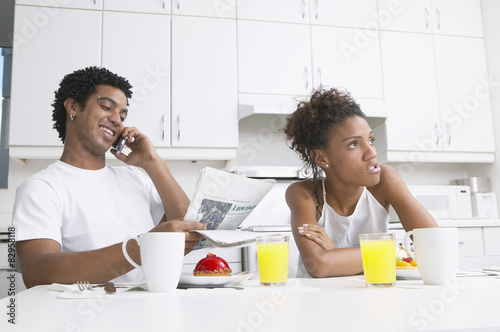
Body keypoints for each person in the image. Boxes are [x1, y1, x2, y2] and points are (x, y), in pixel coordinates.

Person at [13, 66, 205, 288]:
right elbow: (38, 272)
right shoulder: (42, 188)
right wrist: (141, 248)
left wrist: (153, 163)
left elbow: (188, 230)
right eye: (106, 107)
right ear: (73, 106)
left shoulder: (137, 178)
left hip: (148, 309)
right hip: (79, 318)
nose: (117, 120)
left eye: (123, 115)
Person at [284, 87, 438, 278]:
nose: (372, 153)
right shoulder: (303, 194)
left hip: (374, 295)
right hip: (319, 300)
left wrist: (336, 256)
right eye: (354, 144)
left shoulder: (385, 180)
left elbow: (436, 247)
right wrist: (391, 253)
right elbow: (319, 265)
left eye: (371, 140)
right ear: (321, 158)